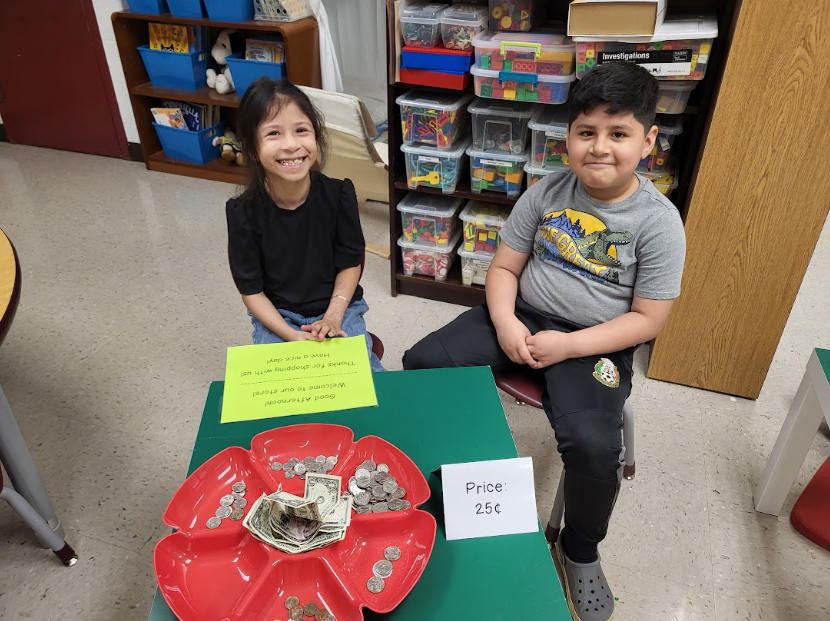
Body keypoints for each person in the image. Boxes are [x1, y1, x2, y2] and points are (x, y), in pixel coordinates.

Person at [403, 62, 686, 621]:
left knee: (593, 444)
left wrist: (568, 347)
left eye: (619, 133)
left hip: (596, 342)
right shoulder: (546, 191)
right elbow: (504, 270)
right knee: (424, 362)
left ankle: (580, 548)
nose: (599, 147)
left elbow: (648, 320)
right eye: (587, 132)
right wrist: (508, 324)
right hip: (524, 313)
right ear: (568, 137)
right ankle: (449, 487)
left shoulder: (659, 222)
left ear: (648, 141)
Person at [226, 78, 383, 372]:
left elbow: (350, 262)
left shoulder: (339, 195)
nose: (291, 145)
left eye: (301, 130)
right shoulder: (241, 212)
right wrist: (291, 335)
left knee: (362, 382)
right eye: (273, 133)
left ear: (316, 135)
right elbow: (251, 290)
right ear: (250, 146)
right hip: (278, 317)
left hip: (339, 308)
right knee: (283, 395)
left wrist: (334, 316)